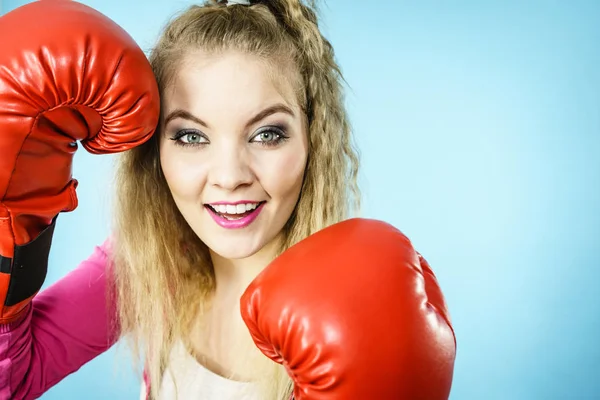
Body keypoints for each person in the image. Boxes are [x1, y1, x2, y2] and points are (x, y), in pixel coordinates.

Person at [0, 0, 457, 399]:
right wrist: (15, 210)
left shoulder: (353, 315)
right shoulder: (151, 263)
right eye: (192, 136)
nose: (229, 177)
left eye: (267, 133)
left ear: (310, 141)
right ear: (156, 152)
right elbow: (12, 382)